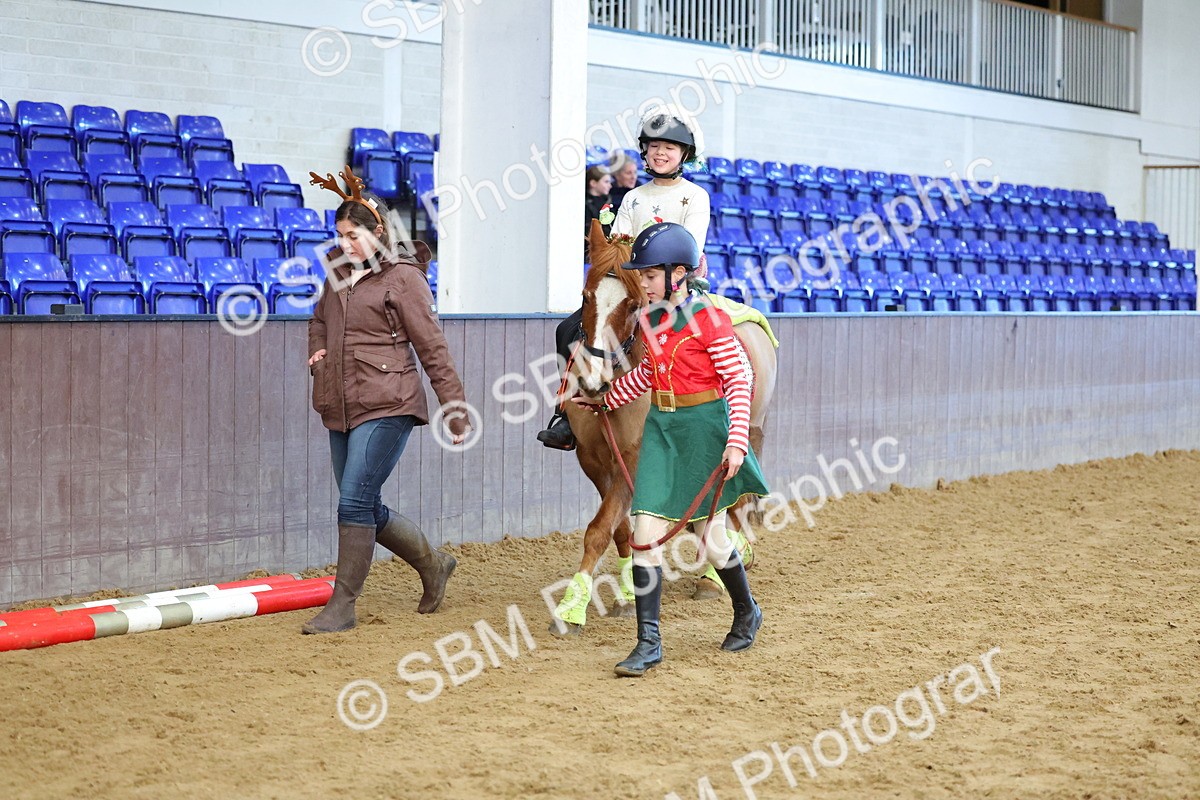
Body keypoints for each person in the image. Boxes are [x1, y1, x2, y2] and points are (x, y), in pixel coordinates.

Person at [573, 222, 768, 677]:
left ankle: (747, 609)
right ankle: (649, 642)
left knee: (713, 542)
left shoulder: (710, 322)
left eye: (649, 275)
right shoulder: (651, 321)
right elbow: (646, 378)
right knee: (644, 532)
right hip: (662, 428)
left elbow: (738, 382)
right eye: (641, 275)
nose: (641, 281)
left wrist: (737, 440)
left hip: (703, 431)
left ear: (678, 273)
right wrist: (606, 398)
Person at [304, 165, 470, 634]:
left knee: (353, 503)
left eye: (354, 235)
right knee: (364, 504)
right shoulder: (337, 271)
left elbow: (431, 346)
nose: (346, 244)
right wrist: (317, 350)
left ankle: (343, 606)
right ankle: (433, 564)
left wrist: (453, 407)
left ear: (378, 232)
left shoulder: (403, 278)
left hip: (390, 401)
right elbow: (318, 320)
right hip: (339, 400)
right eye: (340, 235)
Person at [538, 104, 710, 451]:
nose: (661, 153)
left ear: (684, 154)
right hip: (632, 285)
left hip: (675, 286)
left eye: (670, 147)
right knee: (568, 328)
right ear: (645, 150)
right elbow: (619, 246)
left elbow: (689, 248)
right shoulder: (633, 197)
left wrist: (661, 277)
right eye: (655, 146)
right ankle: (566, 413)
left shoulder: (695, 196)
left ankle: (700, 413)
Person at [584, 165, 614, 246]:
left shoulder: (608, 201)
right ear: (593, 183)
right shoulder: (585, 204)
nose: (610, 185)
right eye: (606, 182)